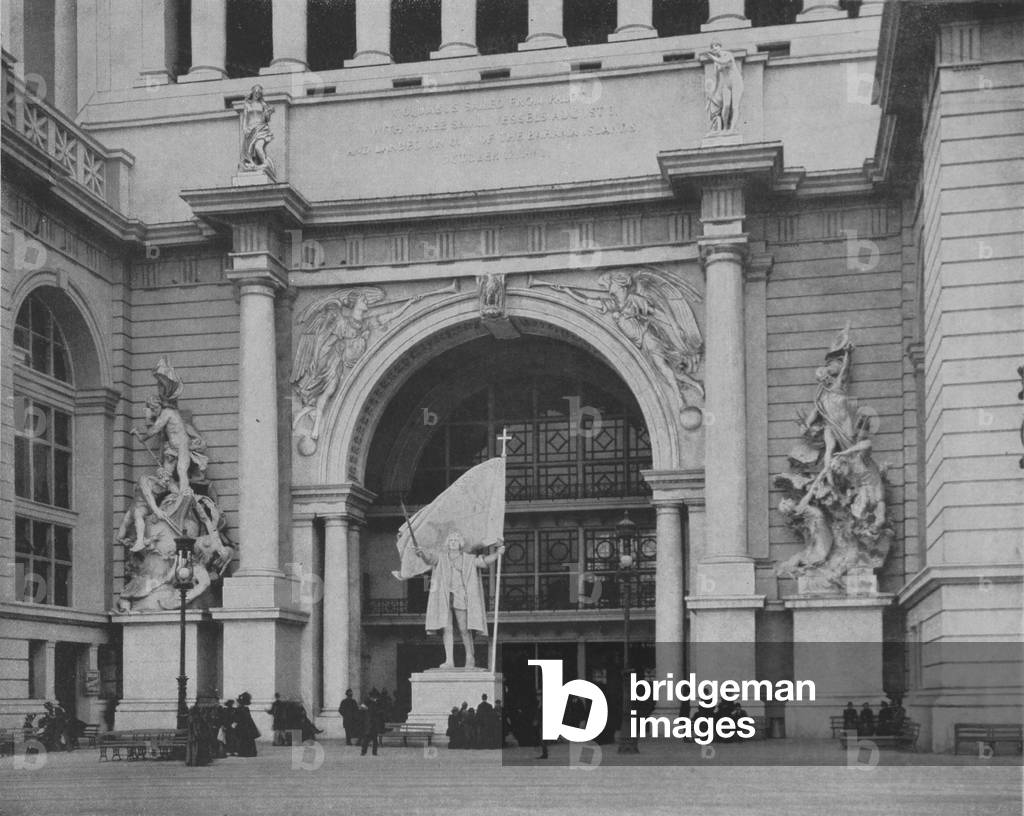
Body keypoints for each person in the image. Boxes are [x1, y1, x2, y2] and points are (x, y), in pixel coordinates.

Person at [415, 531, 505, 668]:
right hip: (444, 596)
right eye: (450, 540)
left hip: (461, 596)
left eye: (455, 540)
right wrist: (422, 553)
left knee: (464, 629)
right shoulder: (441, 558)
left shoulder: (468, 559)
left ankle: (470, 656)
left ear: (460, 544)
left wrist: (498, 554)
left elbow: (483, 562)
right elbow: (429, 559)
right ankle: (449, 660)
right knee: (447, 628)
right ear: (447, 544)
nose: (453, 543)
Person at [702, 41, 743, 131]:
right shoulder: (715, 63)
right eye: (712, 47)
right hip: (726, 84)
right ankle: (725, 128)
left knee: (734, 106)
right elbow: (717, 79)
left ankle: (731, 128)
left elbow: (723, 61)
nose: (714, 48)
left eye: (716, 46)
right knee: (726, 106)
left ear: (720, 46)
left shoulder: (728, 55)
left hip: (736, 82)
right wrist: (713, 92)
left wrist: (711, 57)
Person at [239, 84, 274, 172]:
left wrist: (269, 112)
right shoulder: (247, 104)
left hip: (261, 128)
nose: (257, 93)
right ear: (253, 92)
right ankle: (254, 164)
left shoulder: (263, 104)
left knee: (258, 147)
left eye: (259, 92)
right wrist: (244, 129)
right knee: (249, 151)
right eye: (256, 91)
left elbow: (267, 119)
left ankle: (266, 165)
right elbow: (245, 118)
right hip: (250, 130)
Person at [234, 692, 260, 757]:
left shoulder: (239, 709)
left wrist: (234, 725)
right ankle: (250, 752)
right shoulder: (246, 709)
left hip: (242, 727)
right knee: (249, 740)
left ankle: (244, 752)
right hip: (248, 727)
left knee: (243, 740)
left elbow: (237, 719)